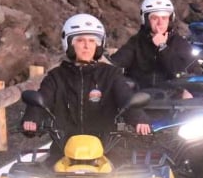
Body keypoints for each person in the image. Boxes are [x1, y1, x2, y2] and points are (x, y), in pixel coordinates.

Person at [22, 13, 149, 153]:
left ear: (99, 45)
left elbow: (126, 98)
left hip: (107, 147)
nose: (87, 46)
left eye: (92, 41)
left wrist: (140, 120)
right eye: (81, 40)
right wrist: (32, 119)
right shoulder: (56, 77)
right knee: (38, 173)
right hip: (63, 147)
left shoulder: (111, 75)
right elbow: (42, 100)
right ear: (69, 43)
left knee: (126, 172)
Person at [111, 0, 195, 89]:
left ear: (170, 20)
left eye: (164, 18)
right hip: (140, 97)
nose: (160, 23)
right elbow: (117, 62)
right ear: (146, 20)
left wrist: (162, 47)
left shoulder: (179, 43)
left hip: (171, 98)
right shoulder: (136, 42)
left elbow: (184, 70)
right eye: (155, 18)